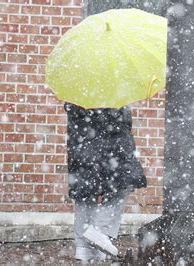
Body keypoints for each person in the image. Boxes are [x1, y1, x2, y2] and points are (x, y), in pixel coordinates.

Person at [65, 103, 147, 262]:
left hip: (82, 144)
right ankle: (100, 231)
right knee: (123, 184)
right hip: (109, 144)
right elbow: (121, 122)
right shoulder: (113, 89)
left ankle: (84, 246)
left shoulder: (77, 91)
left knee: (85, 191)